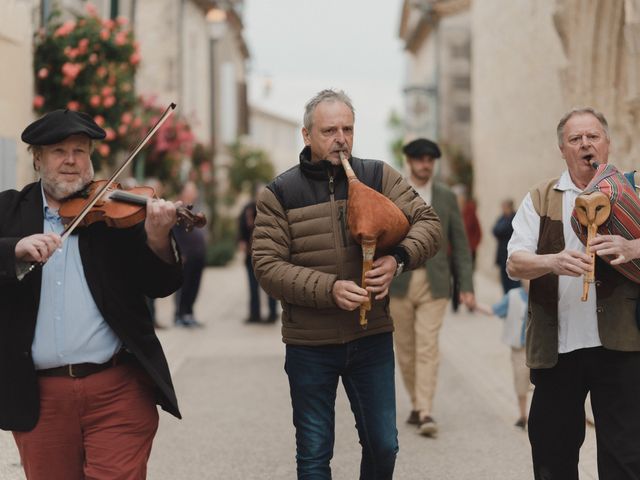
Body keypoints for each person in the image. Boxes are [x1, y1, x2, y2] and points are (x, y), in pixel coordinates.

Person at [252, 89, 441, 479]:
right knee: (315, 454)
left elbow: (430, 224)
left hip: (370, 337)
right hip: (310, 345)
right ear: (307, 135)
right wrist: (329, 289)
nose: (341, 138)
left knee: (383, 445)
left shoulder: (377, 175)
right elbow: (267, 266)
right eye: (330, 130)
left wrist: (397, 260)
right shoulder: (279, 193)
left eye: (348, 129)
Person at [0, 109, 183, 480]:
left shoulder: (114, 212)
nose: (71, 160)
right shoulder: (8, 210)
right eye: (58, 151)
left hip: (117, 389)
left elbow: (159, 285)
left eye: (80, 151)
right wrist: (12, 250)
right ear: (36, 158)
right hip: (40, 398)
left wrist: (159, 238)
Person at [507, 107, 640, 478]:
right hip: (557, 349)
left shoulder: (634, 190)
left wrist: (633, 248)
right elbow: (515, 262)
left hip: (622, 345)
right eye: (575, 139)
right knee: (553, 457)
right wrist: (551, 262)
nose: (586, 145)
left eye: (593, 137)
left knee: (627, 459)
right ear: (562, 150)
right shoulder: (541, 196)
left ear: (608, 144)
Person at [389, 138, 475, 437]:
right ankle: (416, 402)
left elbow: (460, 244)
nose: (425, 164)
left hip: (436, 283)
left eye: (430, 159)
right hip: (399, 281)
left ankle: (425, 411)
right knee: (406, 349)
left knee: (427, 346)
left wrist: (466, 285)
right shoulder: (393, 193)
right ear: (409, 161)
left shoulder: (446, 197)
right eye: (419, 159)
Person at [474, 280, 530, 430]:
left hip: (540, 348)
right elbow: (493, 310)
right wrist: (474, 304)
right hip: (520, 349)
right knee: (521, 381)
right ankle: (523, 415)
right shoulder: (513, 296)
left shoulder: (546, 295)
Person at [173, 181, 207, 327]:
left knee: (195, 285)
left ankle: (189, 313)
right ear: (183, 193)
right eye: (190, 190)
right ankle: (180, 315)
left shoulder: (197, 208)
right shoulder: (179, 209)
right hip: (186, 254)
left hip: (198, 254)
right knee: (184, 286)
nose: (193, 193)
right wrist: (180, 252)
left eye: (194, 190)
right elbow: (175, 233)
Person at [238, 197, 277, 323]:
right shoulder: (247, 209)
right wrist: (242, 241)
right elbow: (242, 228)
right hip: (251, 256)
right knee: (253, 287)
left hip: (269, 255)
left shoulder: (270, 209)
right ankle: (255, 315)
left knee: (270, 286)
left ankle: (272, 314)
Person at [492, 199, 520, 293]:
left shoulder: (515, 218)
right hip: (502, 255)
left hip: (512, 255)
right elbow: (495, 230)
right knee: (504, 282)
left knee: (513, 283)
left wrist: (501, 231)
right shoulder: (502, 218)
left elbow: (503, 230)